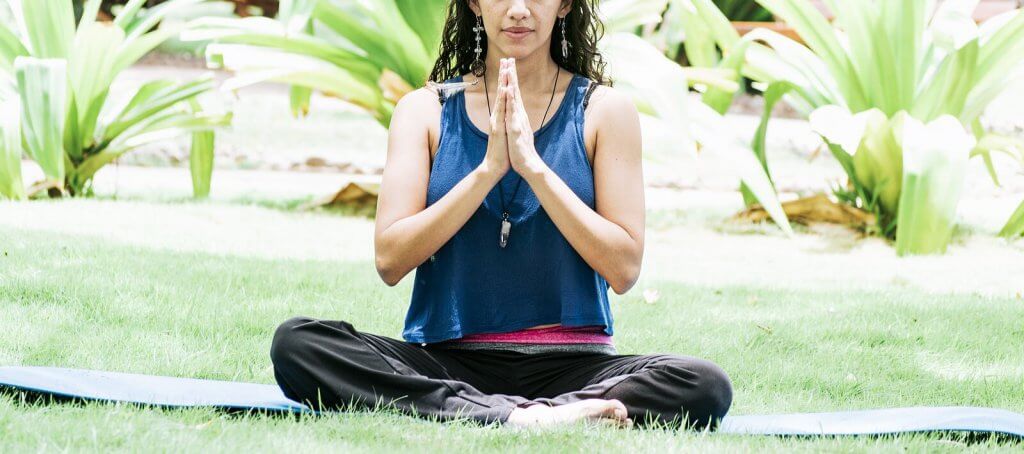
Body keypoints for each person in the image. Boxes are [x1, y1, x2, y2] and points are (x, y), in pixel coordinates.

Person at [270, 0, 732, 429]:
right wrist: (488, 169)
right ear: (473, 2)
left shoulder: (604, 112)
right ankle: (519, 416)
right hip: (449, 361)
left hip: (574, 367)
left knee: (703, 383)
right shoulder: (424, 112)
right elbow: (391, 260)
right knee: (299, 343)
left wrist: (533, 167)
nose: (517, 10)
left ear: (566, 4)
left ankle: (531, 410)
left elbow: (624, 267)